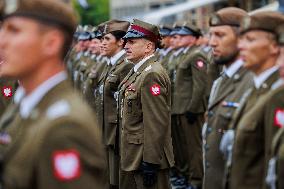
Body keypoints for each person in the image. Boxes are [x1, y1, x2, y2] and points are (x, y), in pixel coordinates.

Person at [0, 0, 107, 188]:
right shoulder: (24, 106)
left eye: (14, 31)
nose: (2, 41)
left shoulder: (66, 126)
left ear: (51, 43)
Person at [220, 11, 284, 189]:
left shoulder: (277, 96)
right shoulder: (255, 88)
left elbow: (272, 168)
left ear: (274, 46)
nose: (241, 46)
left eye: (250, 39)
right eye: (241, 39)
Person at [118, 19, 174, 189]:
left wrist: (150, 162)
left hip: (144, 156)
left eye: (132, 42)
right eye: (126, 42)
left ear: (149, 47)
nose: (126, 46)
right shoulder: (138, 71)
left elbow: (155, 121)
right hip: (133, 153)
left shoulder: (151, 75)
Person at [203, 7, 253, 189]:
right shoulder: (221, 81)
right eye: (210, 35)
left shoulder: (252, 80)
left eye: (220, 35)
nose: (211, 43)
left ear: (242, 39)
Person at [100, 19, 133, 188]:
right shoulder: (111, 64)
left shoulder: (125, 66)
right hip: (108, 129)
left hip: (117, 132)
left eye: (107, 39)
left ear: (121, 42)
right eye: (102, 39)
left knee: (118, 178)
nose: (102, 43)